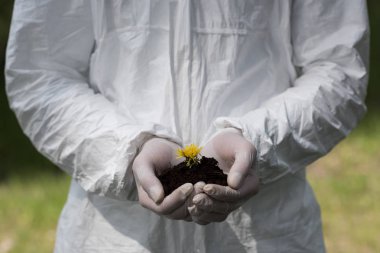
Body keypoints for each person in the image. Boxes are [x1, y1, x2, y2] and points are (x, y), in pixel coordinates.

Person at [5, 0, 369, 252]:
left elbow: (340, 69)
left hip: (266, 234)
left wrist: (257, 140)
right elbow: (40, 75)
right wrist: (126, 153)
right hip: (115, 238)